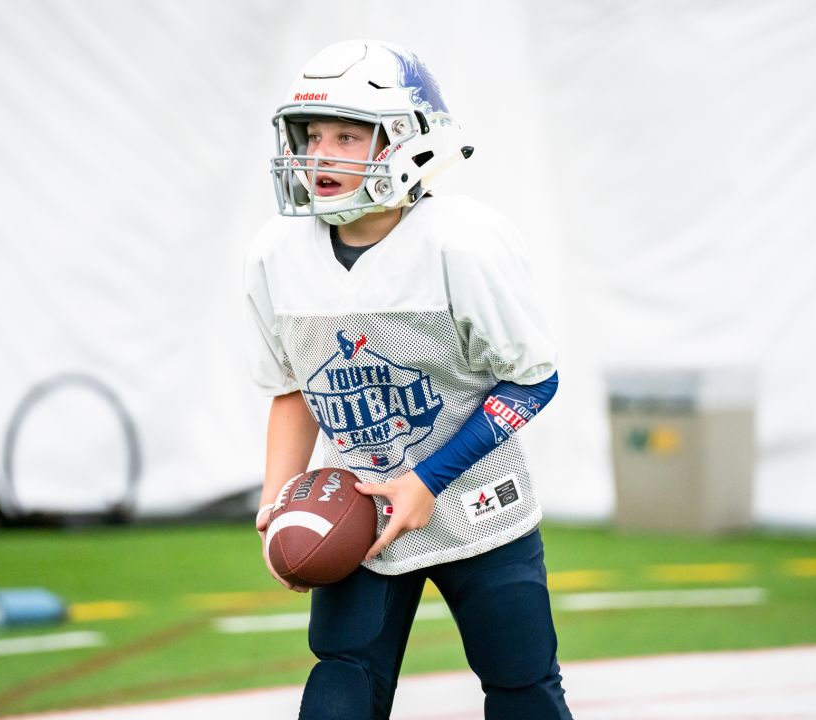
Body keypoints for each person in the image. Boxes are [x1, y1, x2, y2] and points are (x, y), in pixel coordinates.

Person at [244, 39, 572, 720]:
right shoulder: (277, 252)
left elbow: (533, 382)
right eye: (311, 135)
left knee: (522, 687)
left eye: (346, 135)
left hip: (479, 503)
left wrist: (428, 481)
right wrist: (277, 499)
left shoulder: (462, 242)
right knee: (340, 685)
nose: (319, 154)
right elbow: (293, 385)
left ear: (406, 142)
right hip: (359, 505)